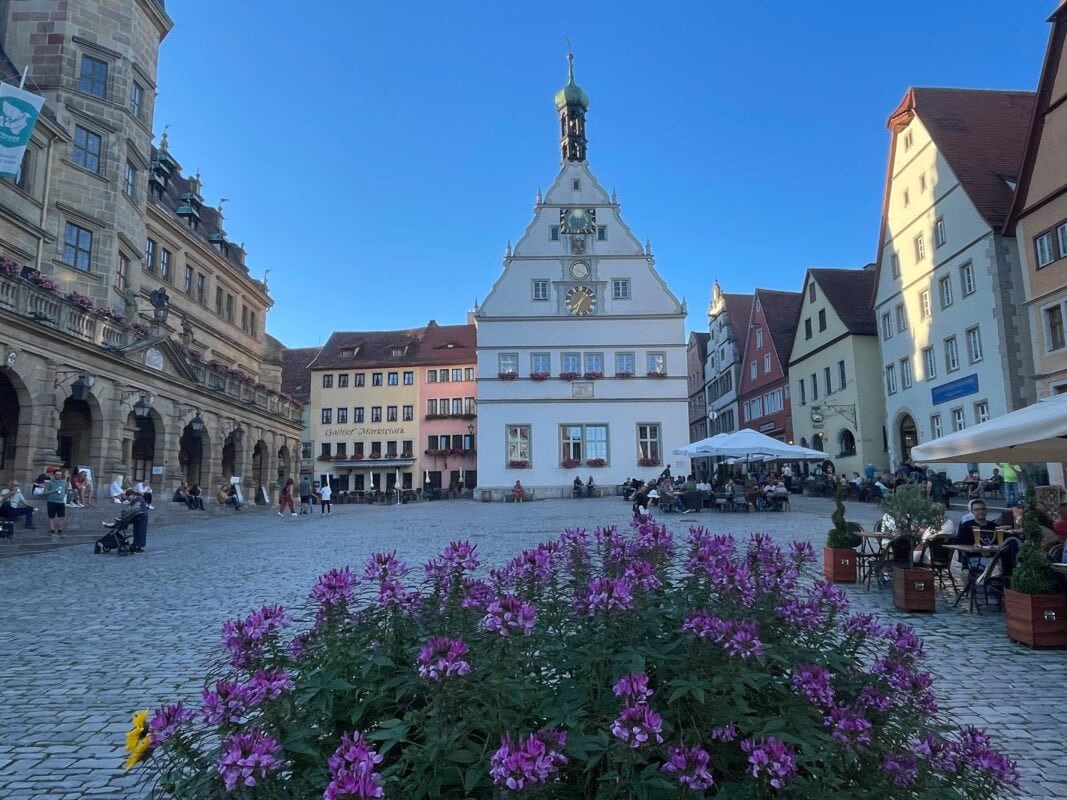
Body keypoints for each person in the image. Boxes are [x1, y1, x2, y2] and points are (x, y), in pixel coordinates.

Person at [123, 488, 149, 553]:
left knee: (141, 532)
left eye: (129, 496)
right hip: (137, 517)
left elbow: (134, 508)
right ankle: (135, 543)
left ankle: (140, 546)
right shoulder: (133, 500)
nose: (128, 498)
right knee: (136, 531)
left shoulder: (139, 499)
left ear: (132, 495)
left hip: (142, 517)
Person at [46, 469, 69, 536]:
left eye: (60, 474)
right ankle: (52, 530)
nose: (59, 476)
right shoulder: (50, 482)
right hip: (51, 501)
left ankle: (60, 530)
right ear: (54, 475)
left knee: (62, 516)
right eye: (57, 474)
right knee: (51, 516)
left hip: (61, 502)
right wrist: (54, 490)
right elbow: (45, 492)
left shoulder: (64, 482)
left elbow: (66, 491)